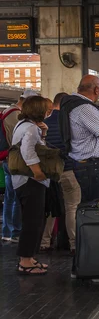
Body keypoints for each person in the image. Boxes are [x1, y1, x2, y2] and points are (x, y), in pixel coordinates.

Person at [59, 75, 99, 203]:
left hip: (87, 166)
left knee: (92, 209)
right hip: (94, 169)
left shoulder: (71, 106)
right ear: (97, 90)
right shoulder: (85, 109)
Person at [11, 96, 51, 275]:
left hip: (22, 180)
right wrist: (39, 173)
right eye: (45, 109)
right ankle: (25, 261)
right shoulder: (31, 128)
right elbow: (28, 151)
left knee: (32, 219)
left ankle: (29, 257)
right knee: (32, 221)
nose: (47, 113)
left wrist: (43, 134)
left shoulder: (23, 125)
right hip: (30, 181)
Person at [39, 92, 80, 255]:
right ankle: (74, 244)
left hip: (49, 173)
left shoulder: (43, 124)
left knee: (51, 207)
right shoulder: (70, 123)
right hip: (68, 169)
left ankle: (45, 242)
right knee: (72, 207)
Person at [1, 89, 38, 243]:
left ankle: (7, 230)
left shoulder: (7, 112)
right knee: (16, 196)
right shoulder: (15, 115)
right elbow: (19, 141)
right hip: (13, 159)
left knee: (10, 196)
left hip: (7, 159)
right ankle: (15, 231)